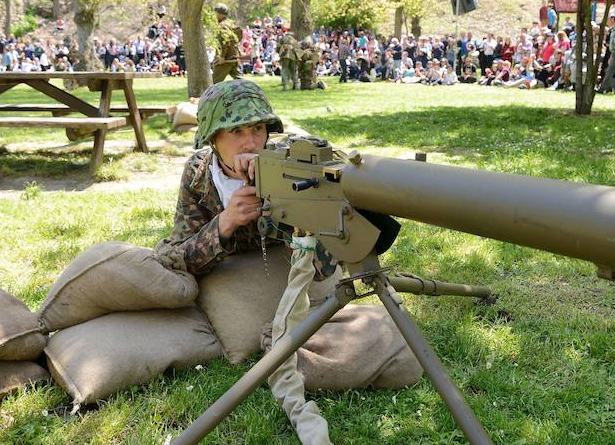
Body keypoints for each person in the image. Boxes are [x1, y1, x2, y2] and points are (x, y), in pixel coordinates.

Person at [153, 80, 422, 390]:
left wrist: (290, 208)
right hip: (234, 275)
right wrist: (225, 223)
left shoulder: (291, 166)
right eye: (236, 132)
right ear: (213, 139)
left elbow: (325, 267)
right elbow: (176, 260)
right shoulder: (199, 175)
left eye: (257, 130)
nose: (250, 143)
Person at [211, 3, 241, 83]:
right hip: (234, 56)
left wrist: (222, 56)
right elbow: (239, 36)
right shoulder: (231, 24)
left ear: (219, 14)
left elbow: (225, 41)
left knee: (214, 83)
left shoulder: (222, 26)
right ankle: (249, 92)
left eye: (216, 13)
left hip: (226, 59)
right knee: (240, 81)